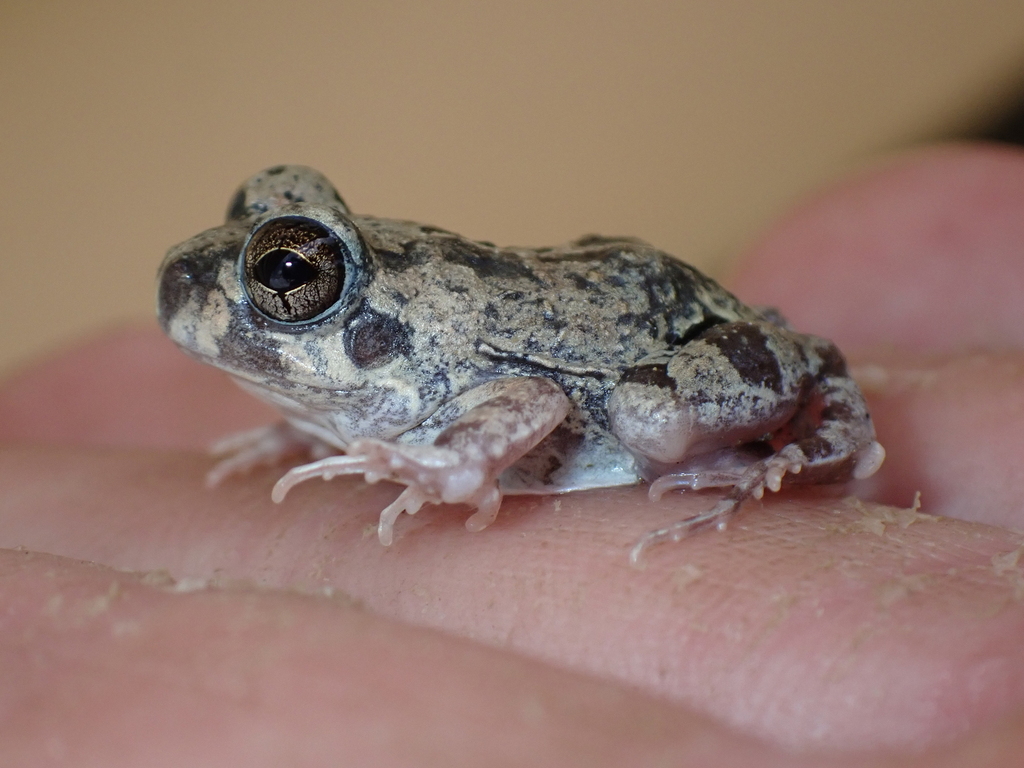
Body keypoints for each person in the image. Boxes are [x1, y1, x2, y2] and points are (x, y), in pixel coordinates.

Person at [2, 144, 1023, 766]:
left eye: (283, 275)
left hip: (652, 340)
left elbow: (530, 392)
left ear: (357, 315)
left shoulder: (420, 347)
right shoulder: (371, 360)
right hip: (603, 289)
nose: (225, 285)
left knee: (652, 419)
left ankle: (804, 418)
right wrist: (299, 417)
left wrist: (450, 469)